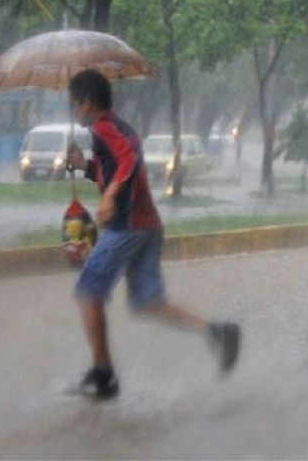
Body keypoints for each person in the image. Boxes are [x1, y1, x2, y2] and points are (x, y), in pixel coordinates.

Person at [65, 69, 241, 400]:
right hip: (147, 227)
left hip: (127, 226)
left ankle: (103, 375)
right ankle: (217, 332)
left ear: (86, 102)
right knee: (148, 301)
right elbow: (116, 166)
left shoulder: (104, 128)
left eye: (74, 104)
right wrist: (85, 167)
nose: (74, 112)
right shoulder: (114, 129)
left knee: (88, 291)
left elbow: (130, 159)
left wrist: (110, 194)